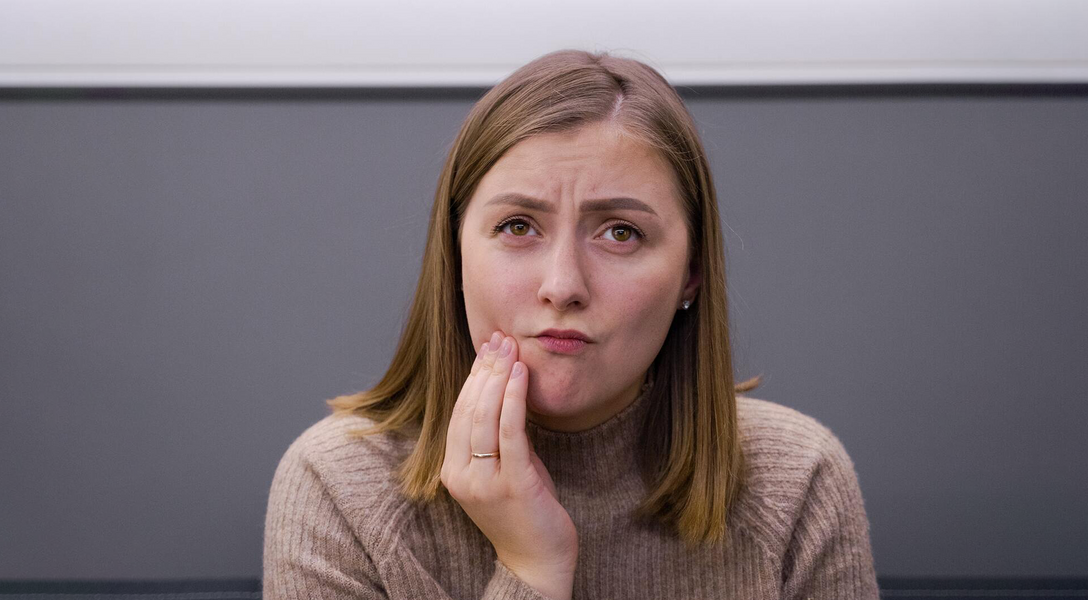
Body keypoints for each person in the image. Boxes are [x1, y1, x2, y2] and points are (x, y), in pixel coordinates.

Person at [263, 49, 879, 599]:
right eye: (518, 227)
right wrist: (531, 571)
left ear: (692, 274)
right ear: (453, 256)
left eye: (620, 232)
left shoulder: (798, 481)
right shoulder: (337, 488)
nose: (562, 285)